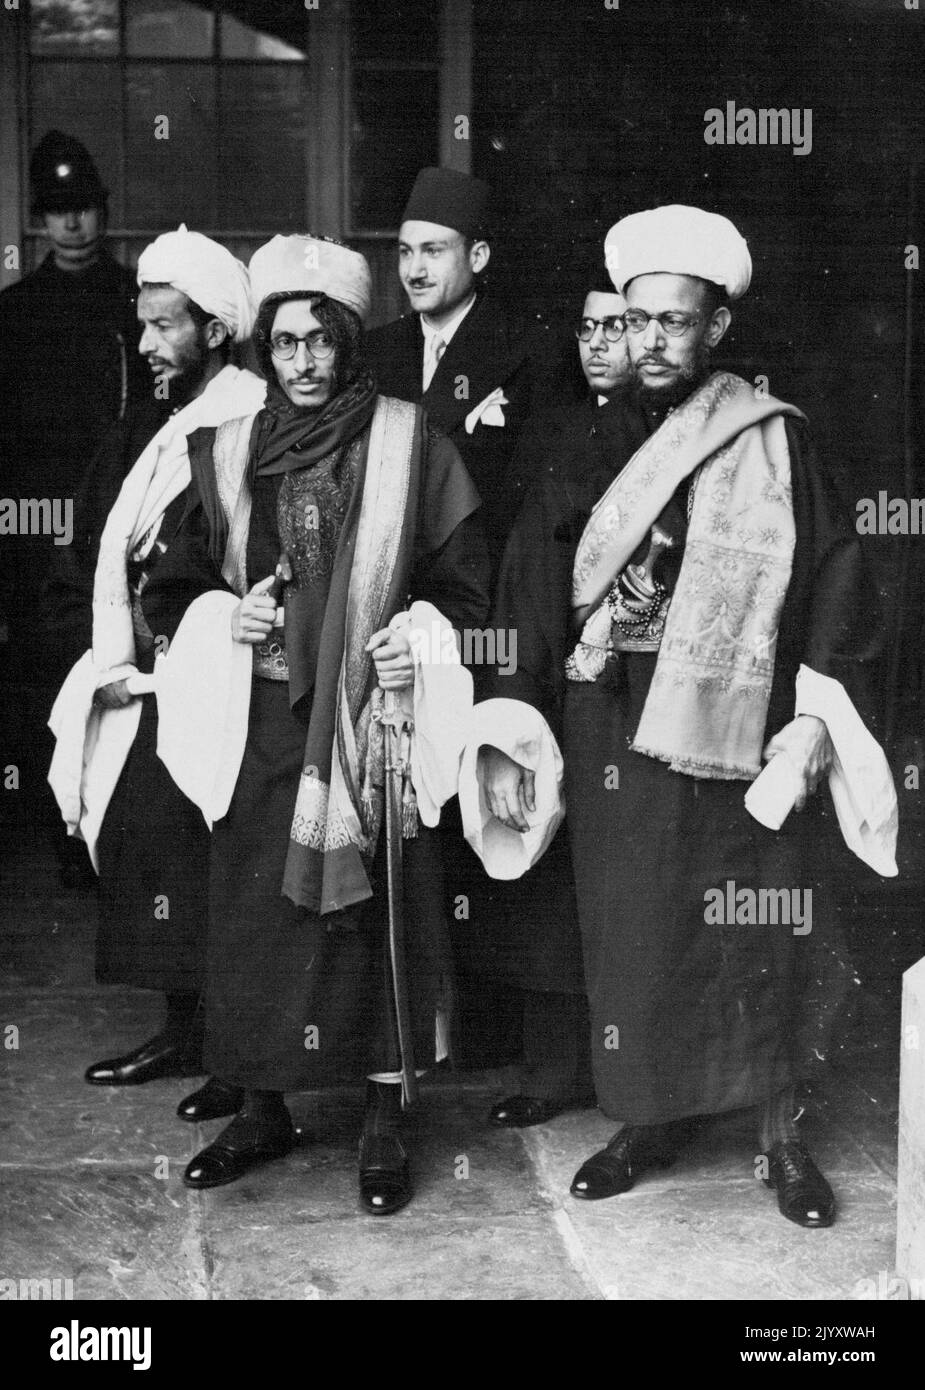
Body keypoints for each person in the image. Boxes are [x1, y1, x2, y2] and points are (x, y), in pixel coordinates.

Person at [478, 205, 897, 1228]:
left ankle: (778, 1131)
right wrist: (513, 714)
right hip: (611, 727)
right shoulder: (581, 444)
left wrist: (812, 723)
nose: (651, 342)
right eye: (634, 321)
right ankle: (647, 1116)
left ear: (715, 329)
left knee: (753, 929)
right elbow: (531, 586)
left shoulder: (775, 441)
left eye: (675, 322)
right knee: (635, 933)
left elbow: (839, 582)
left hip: (738, 729)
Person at [139, 234, 491, 1214]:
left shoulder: (410, 442)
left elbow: (468, 592)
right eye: (283, 343)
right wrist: (227, 614)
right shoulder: (223, 453)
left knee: (375, 910)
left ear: (346, 342)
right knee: (260, 912)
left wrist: (413, 637)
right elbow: (169, 594)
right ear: (263, 349)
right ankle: (260, 1106)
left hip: (371, 718)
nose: (300, 362)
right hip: (263, 718)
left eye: (318, 341)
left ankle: (383, 1115)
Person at [48, 227, 265, 1120]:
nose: (145, 346)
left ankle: (234, 1048)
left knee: (215, 861)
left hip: (222, 674)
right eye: (142, 328)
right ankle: (183, 1026)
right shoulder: (160, 419)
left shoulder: (248, 411)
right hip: (151, 674)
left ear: (214, 330)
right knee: (152, 845)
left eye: (163, 328)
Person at [487, 273, 643, 1129]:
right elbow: (521, 581)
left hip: (649, 696)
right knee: (550, 878)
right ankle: (554, 1072)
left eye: (617, 326)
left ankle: (639, 1078)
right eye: (587, 328)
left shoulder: (682, 438)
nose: (599, 343)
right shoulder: (550, 435)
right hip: (562, 687)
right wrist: (515, 711)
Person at [0, 131, 144, 882]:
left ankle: (111, 843)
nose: (73, 225)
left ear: (102, 213)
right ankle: (62, 844)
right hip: (35, 529)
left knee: (118, 669)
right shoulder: (14, 313)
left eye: (84, 208)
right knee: (45, 677)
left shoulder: (133, 301)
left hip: (118, 521)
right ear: (40, 221)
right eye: (58, 212)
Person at [364, 166, 558, 570]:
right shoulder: (373, 352)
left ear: (478, 256)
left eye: (433, 251)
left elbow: (537, 502)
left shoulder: (531, 351)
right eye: (405, 252)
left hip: (483, 581)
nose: (414, 271)